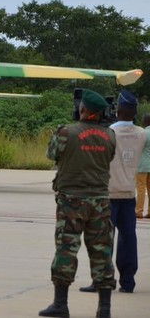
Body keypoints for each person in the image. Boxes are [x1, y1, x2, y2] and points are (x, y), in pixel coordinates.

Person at [38, 89, 116, 318]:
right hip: (100, 202)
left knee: (66, 250)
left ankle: (61, 304)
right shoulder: (110, 135)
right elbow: (109, 157)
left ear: (82, 109)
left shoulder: (66, 132)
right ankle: (104, 309)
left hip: (71, 201)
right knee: (102, 252)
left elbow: (51, 154)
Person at [79, 90, 147, 295]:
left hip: (107, 193)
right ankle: (128, 281)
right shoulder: (142, 134)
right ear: (134, 112)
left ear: (117, 110)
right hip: (128, 193)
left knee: (102, 239)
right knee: (128, 239)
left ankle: (101, 280)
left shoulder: (107, 133)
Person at [137, 113, 150, 219]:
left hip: (142, 165)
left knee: (141, 188)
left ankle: (139, 211)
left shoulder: (143, 133)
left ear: (145, 121)